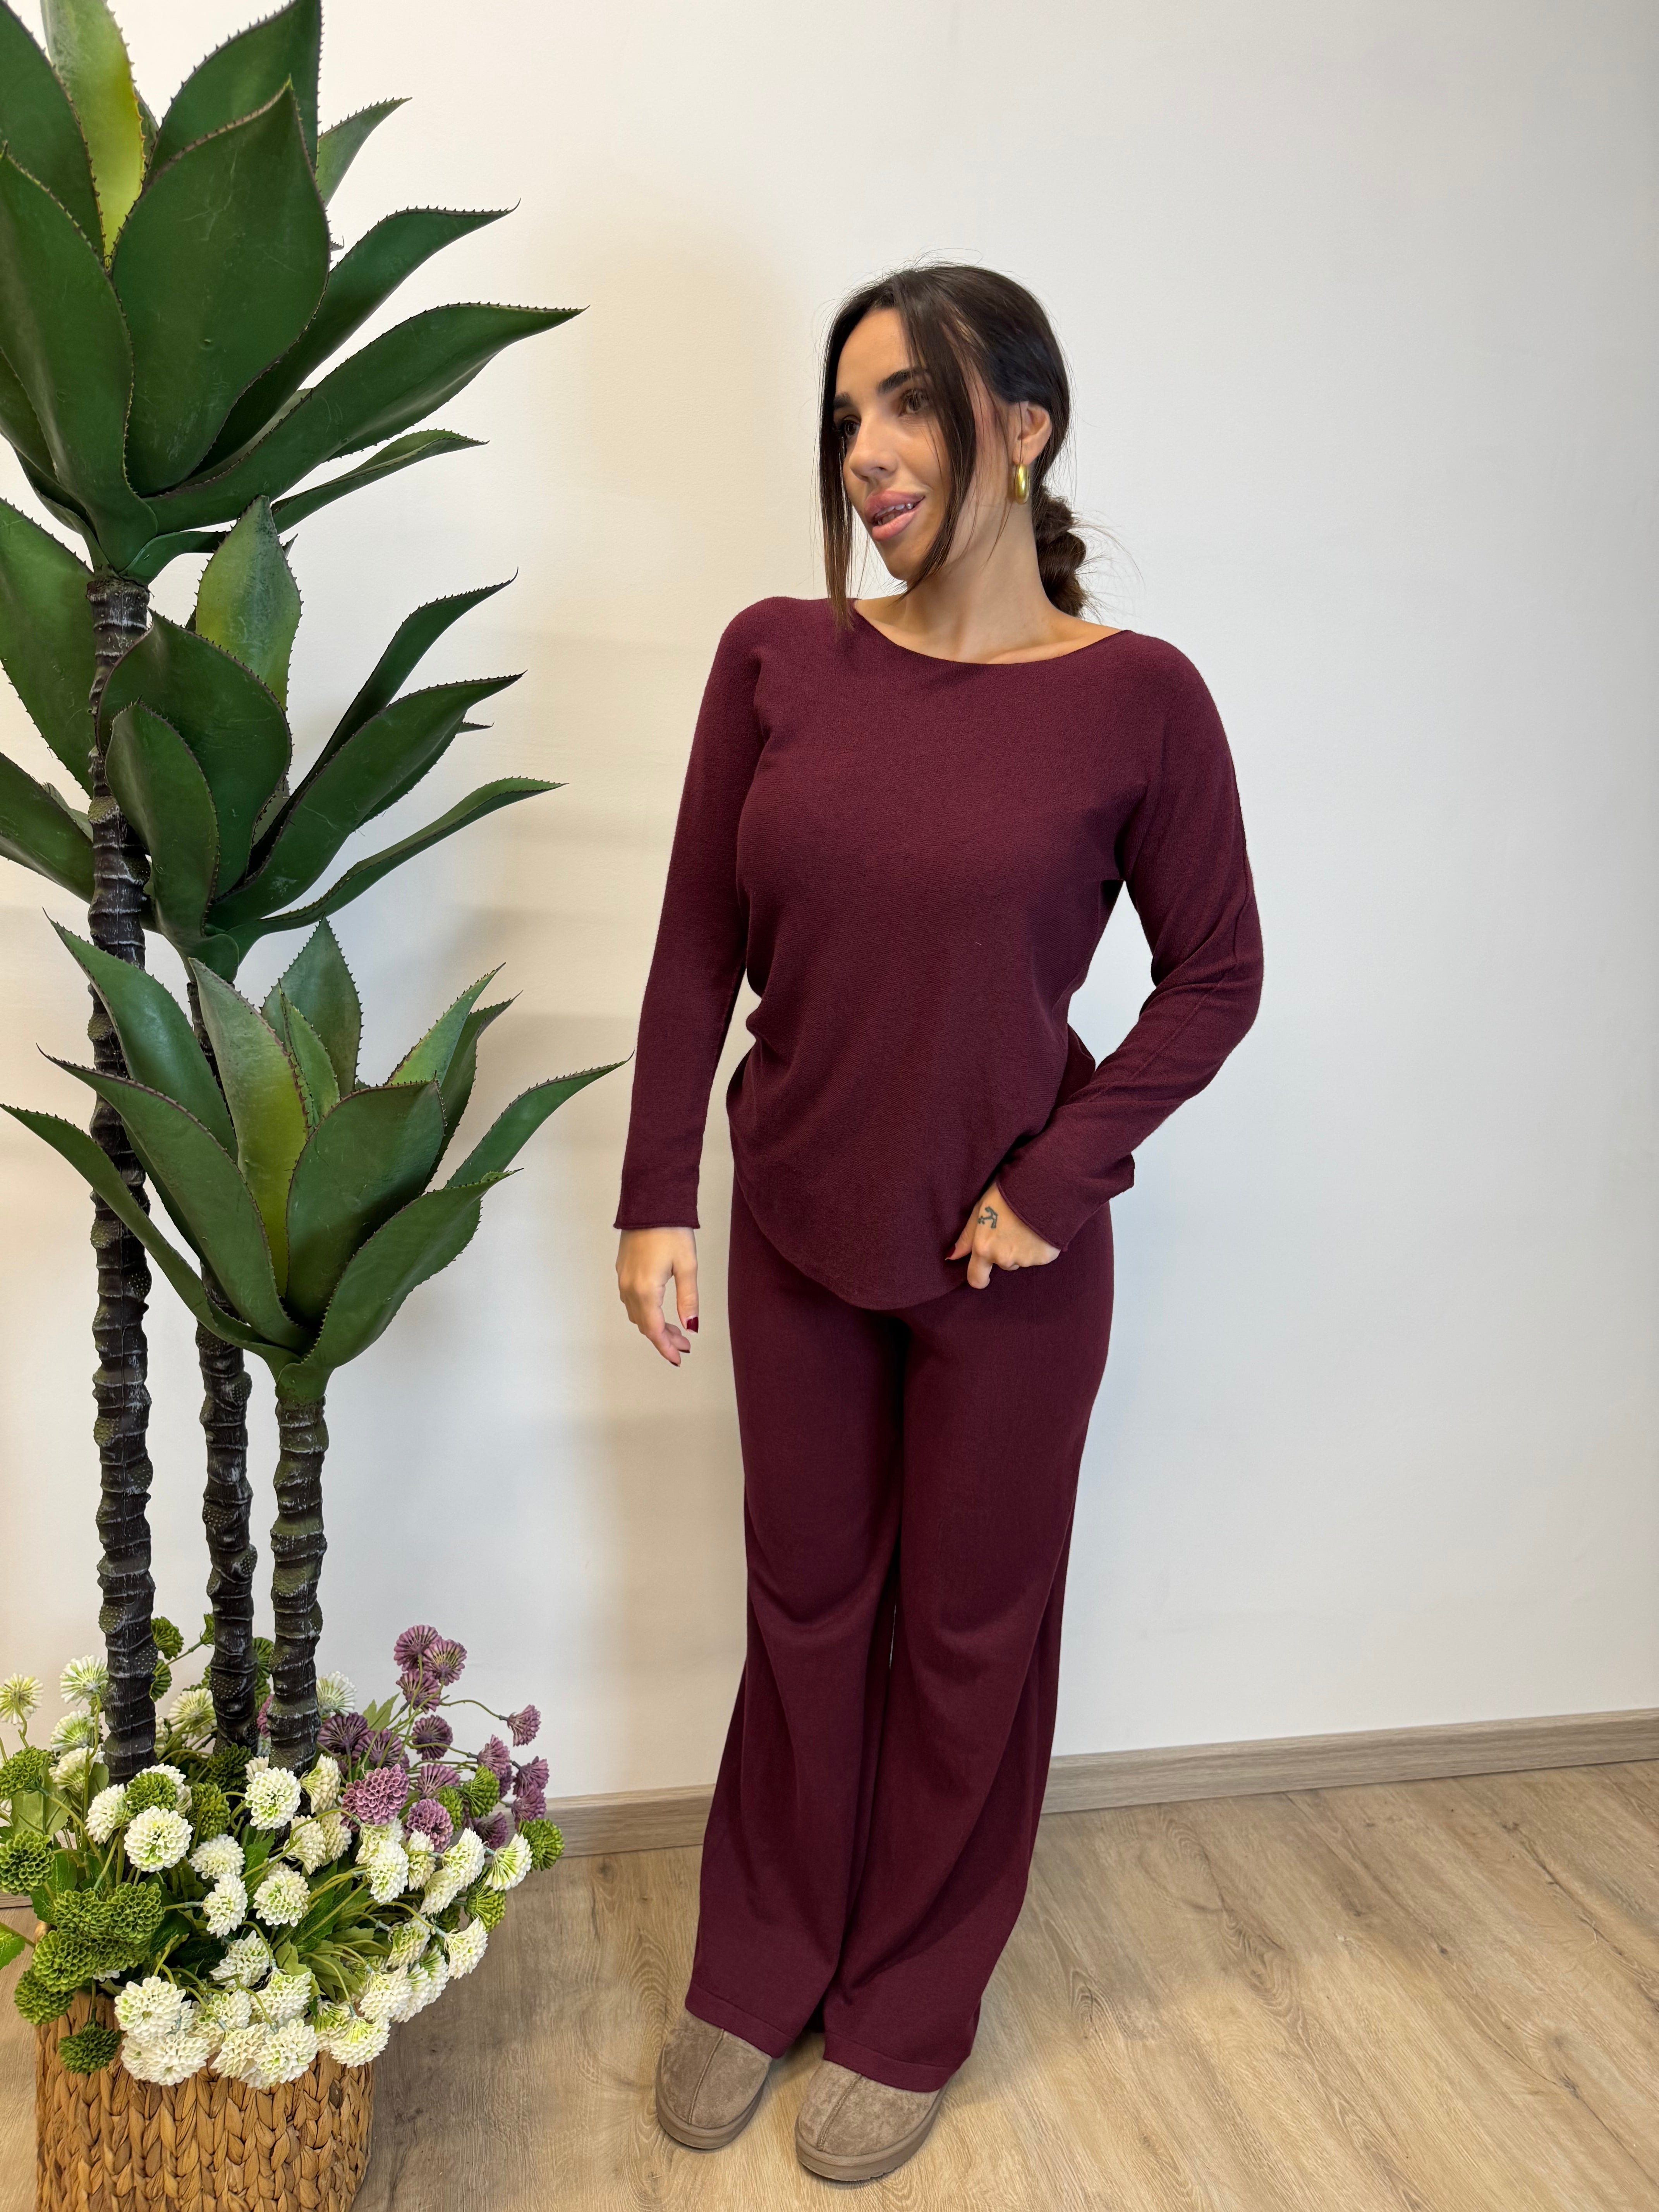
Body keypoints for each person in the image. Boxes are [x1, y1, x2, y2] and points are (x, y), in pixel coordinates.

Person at [613, 260, 1264, 2186]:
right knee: (806, 1611)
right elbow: (698, 942)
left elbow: (1217, 976)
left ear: (1022, 428)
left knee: (972, 1639)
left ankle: (909, 2005)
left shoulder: (1139, 700)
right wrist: (657, 1193)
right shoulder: (776, 658)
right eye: (846, 418)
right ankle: (760, 1966)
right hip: (800, 1219)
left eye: (908, 406)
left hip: (1010, 1263)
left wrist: (1057, 1183)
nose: (866, 454)